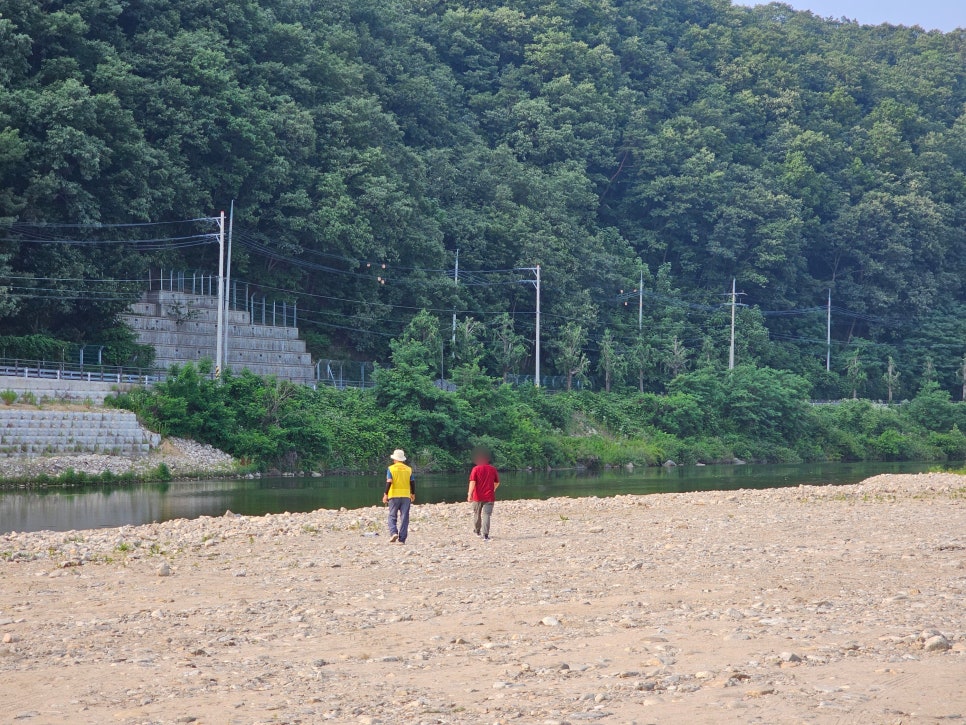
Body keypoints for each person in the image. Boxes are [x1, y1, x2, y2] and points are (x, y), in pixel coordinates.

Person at [383, 449, 415, 543]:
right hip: (406, 496)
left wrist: (385, 494)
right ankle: (402, 539)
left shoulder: (391, 468)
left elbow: (389, 481)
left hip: (393, 496)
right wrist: (413, 494)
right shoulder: (408, 469)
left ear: (395, 459)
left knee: (392, 516)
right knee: (405, 517)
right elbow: (412, 482)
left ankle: (393, 533)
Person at [467, 448, 499, 541]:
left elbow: (472, 482)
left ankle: (477, 531)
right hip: (489, 496)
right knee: (487, 515)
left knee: (477, 513)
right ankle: (485, 535)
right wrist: (492, 490)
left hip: (477, 496)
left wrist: (469, 494)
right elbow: (497, 482)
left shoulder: (475, 469)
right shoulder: (492, 469)